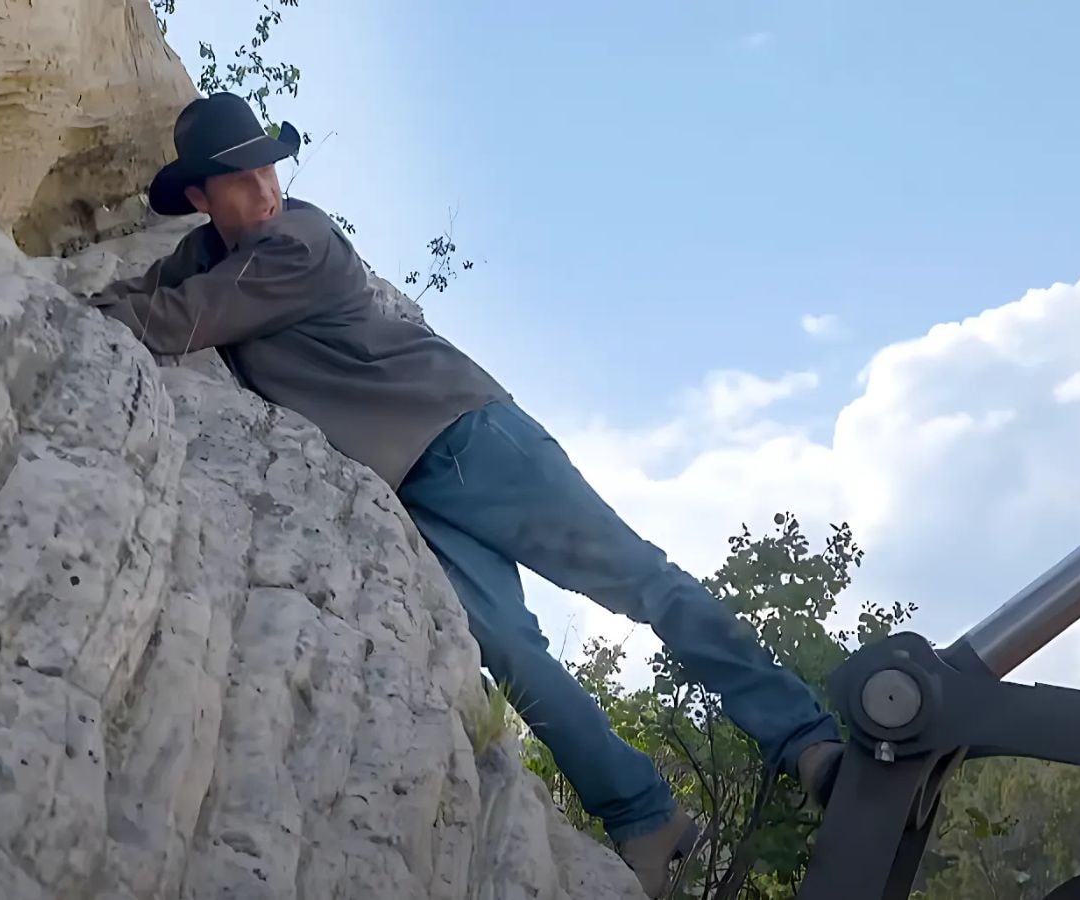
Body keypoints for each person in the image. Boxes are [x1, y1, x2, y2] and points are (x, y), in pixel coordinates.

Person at [85, 91, 846, 898]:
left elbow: (173, 321)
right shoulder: (210, 260)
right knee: (511, 656)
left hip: (470, 437)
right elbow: (154, 294)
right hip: (411, 489)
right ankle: (644, 817)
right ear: (201, 199)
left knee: (638, 582)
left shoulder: (298, 241)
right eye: (240, 178)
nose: (266, 188)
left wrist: (107, 307)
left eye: (268, 165)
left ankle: (803, 739)